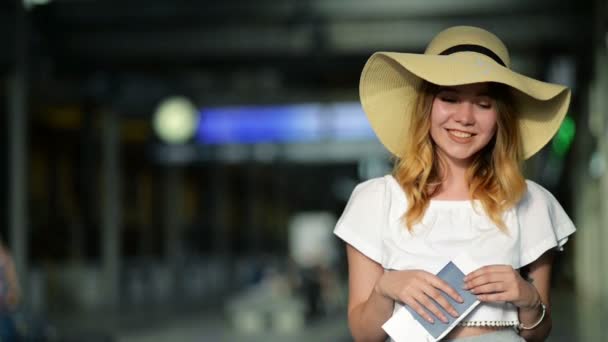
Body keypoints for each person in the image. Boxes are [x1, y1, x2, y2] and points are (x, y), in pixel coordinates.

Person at [334, 26, 575, 342]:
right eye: (449, 98)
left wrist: (528, 298)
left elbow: (538, 333)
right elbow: (364, 336)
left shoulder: (530, 202)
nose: (465, 117)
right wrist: (385, 289)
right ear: (426, 107)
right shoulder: (376, 200)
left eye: (483, 103)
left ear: (500, 116)